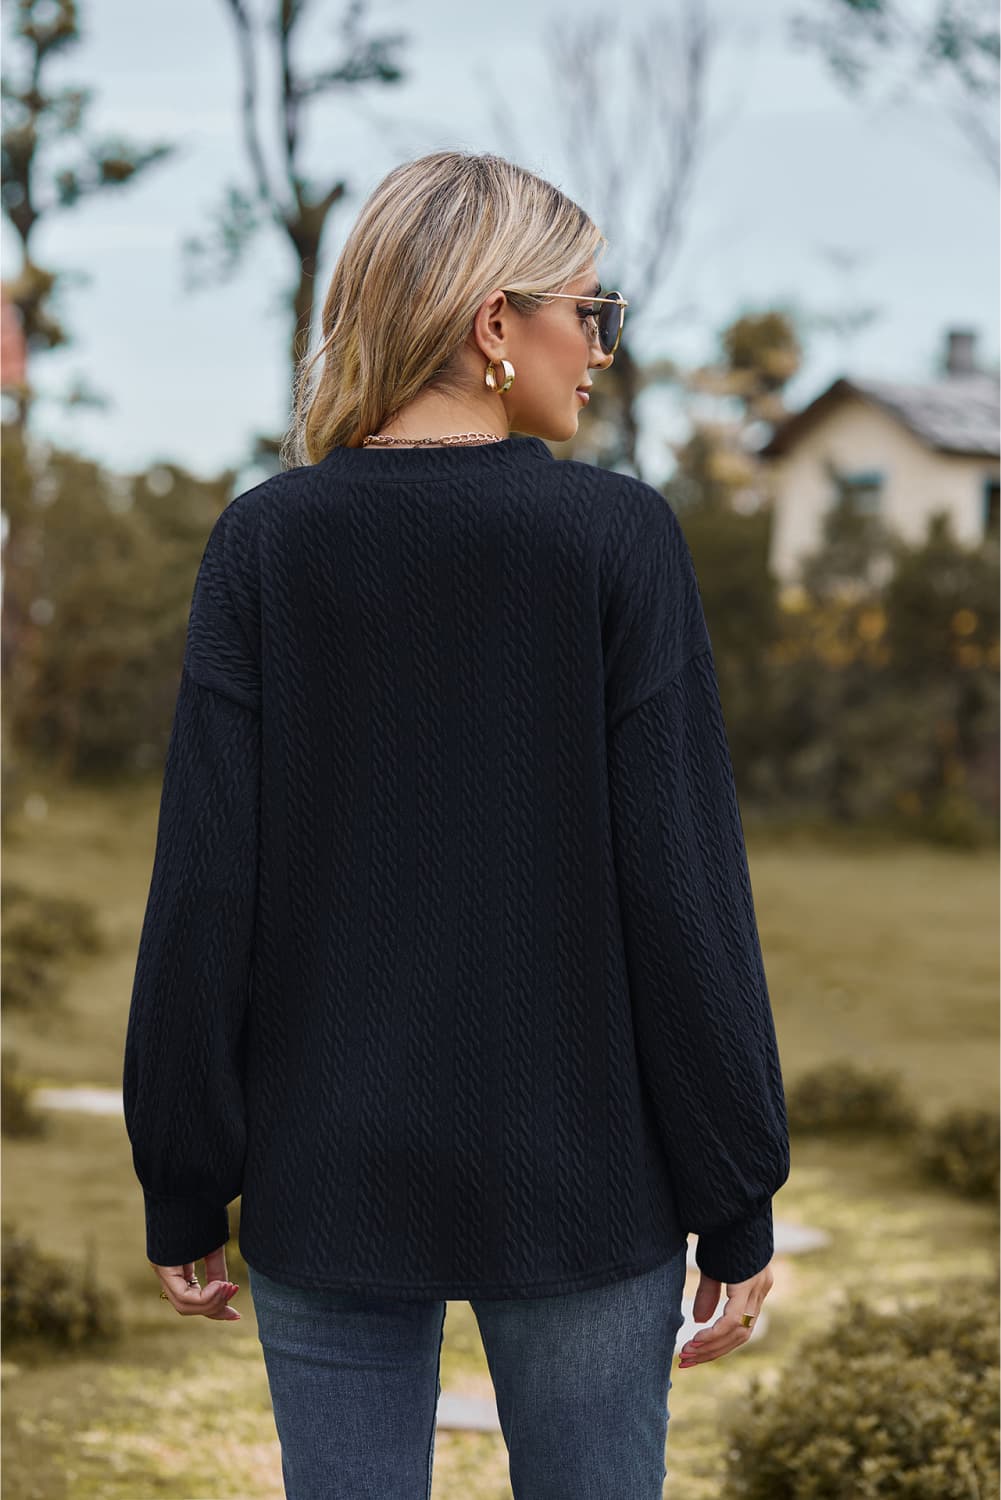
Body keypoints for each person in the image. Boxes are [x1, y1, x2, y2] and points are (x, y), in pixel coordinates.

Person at [123, 148, 791, 1500]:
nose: (598, 349)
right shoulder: (613, 539)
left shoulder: (265, 545)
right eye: (588, 312)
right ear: (497, 323)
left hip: (327, 1177)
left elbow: (204, 890)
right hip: (586, 1179)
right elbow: (680, 891)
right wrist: (733, 1190)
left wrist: (184, 1172)